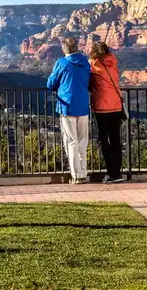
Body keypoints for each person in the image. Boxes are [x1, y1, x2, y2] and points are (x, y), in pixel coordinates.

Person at [47, 37, 91, 184]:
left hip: (67, 106)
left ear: (64, 49)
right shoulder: (85, 62)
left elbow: (51, 83)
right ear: (76, 48)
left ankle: (76, 175)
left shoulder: (61, 63)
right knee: (82, 141)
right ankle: (83, 172)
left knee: (71, 141)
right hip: (83, 105)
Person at [89, 41, 124, 183]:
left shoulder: (93, 64)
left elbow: (88, 82)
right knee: (116, 139)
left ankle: (112, 173)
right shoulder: (113, 62)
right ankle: (117, 172)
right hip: (116, 104)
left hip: (101, 106)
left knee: (104, 140)